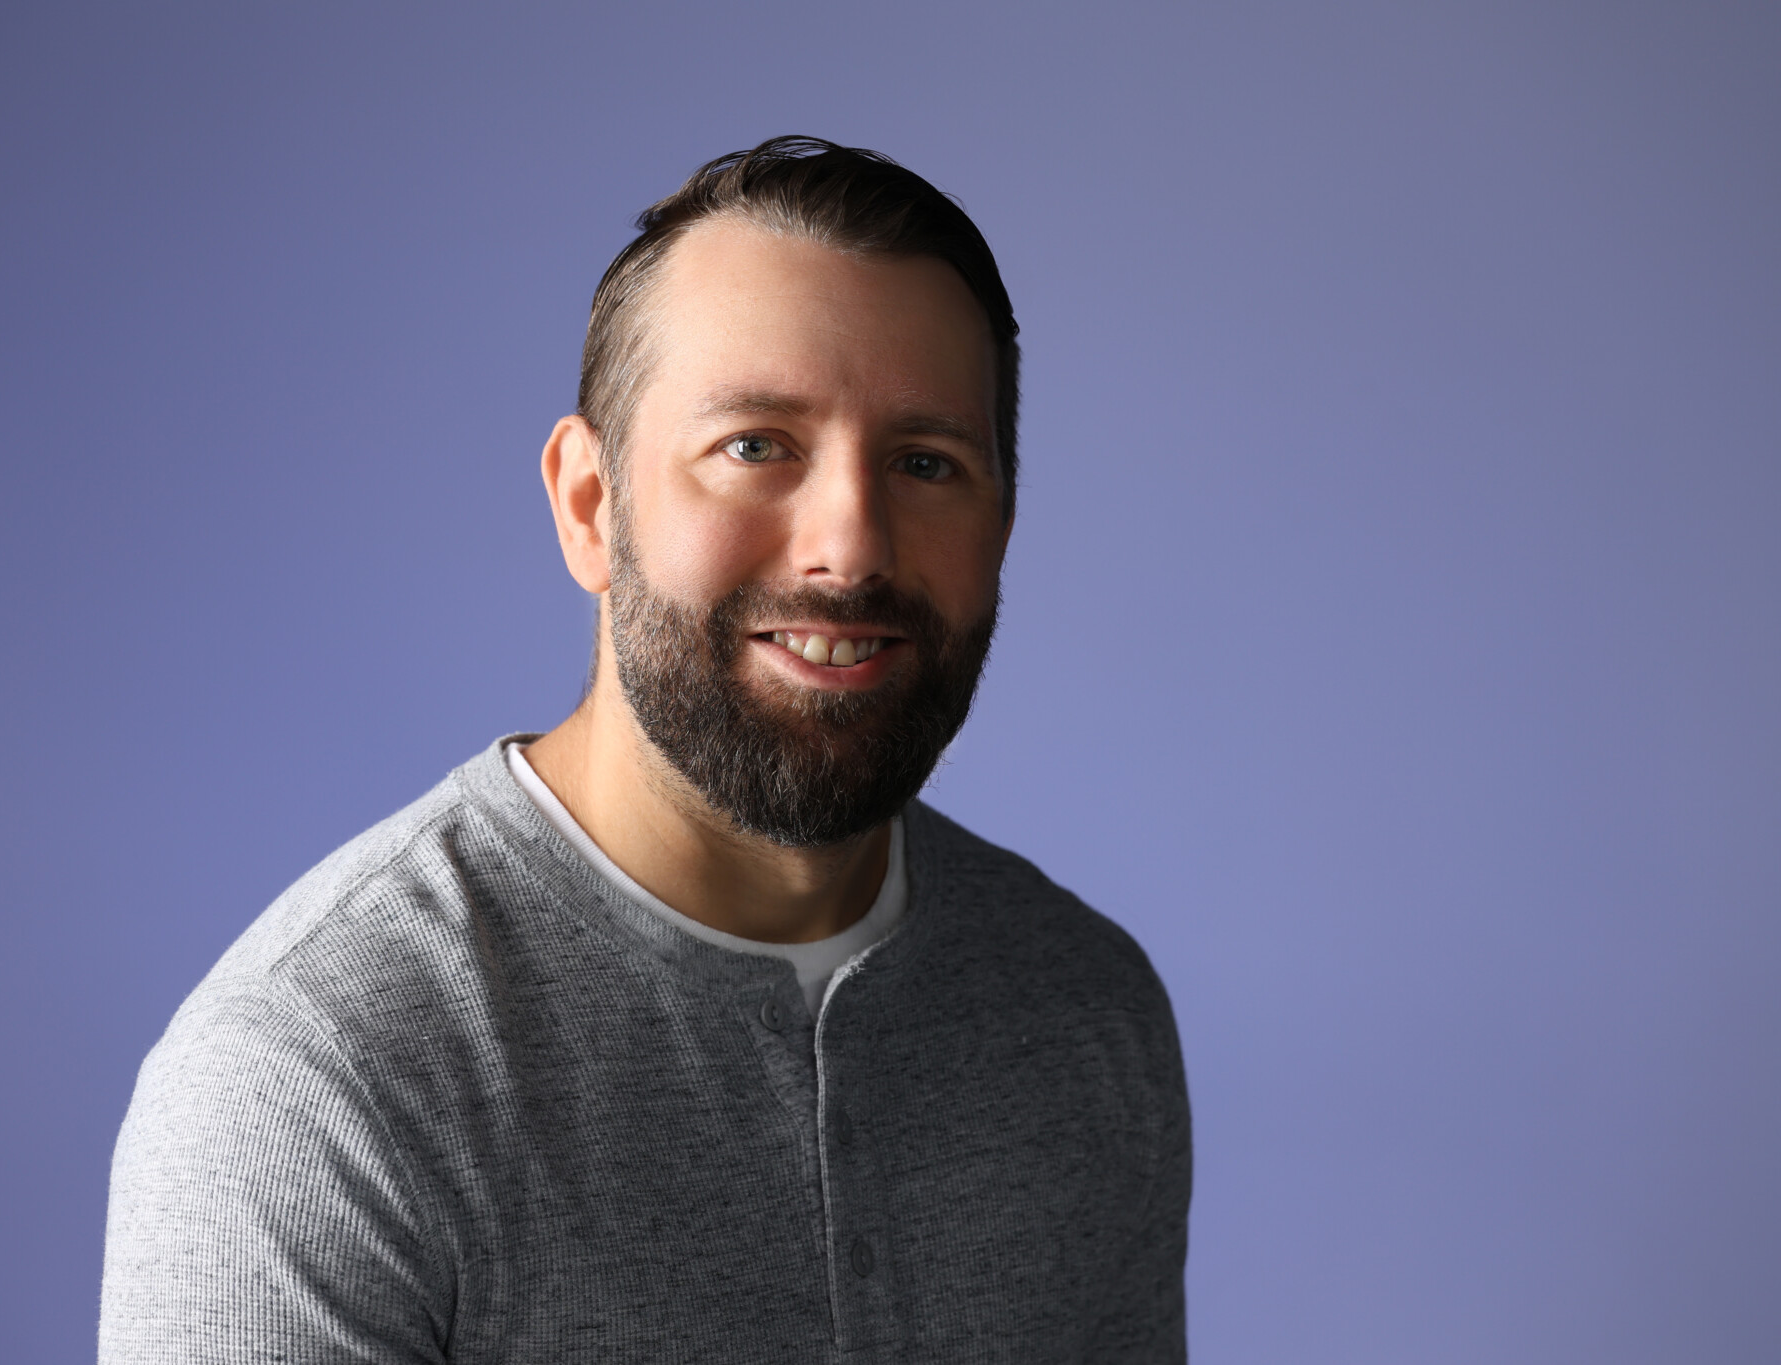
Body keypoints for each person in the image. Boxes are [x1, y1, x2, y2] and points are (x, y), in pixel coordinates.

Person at [100, 135, 1190, 1363]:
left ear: (1002, 523)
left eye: (925, 463)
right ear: (589, 506)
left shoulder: (1083, 1009)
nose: (850, 546)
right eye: (754, 445)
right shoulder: (319, 1074)